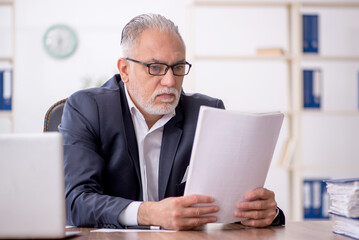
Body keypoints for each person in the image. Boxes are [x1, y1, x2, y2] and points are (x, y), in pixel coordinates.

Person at [59, 13, 285, 230]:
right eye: (155, 67)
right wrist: (149, 213)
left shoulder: (205, 113)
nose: (170, 81)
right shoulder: (88, 109)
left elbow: (227, 201)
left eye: (178, 67)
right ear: (125, 70)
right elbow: (76, 202)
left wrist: (264, 212)